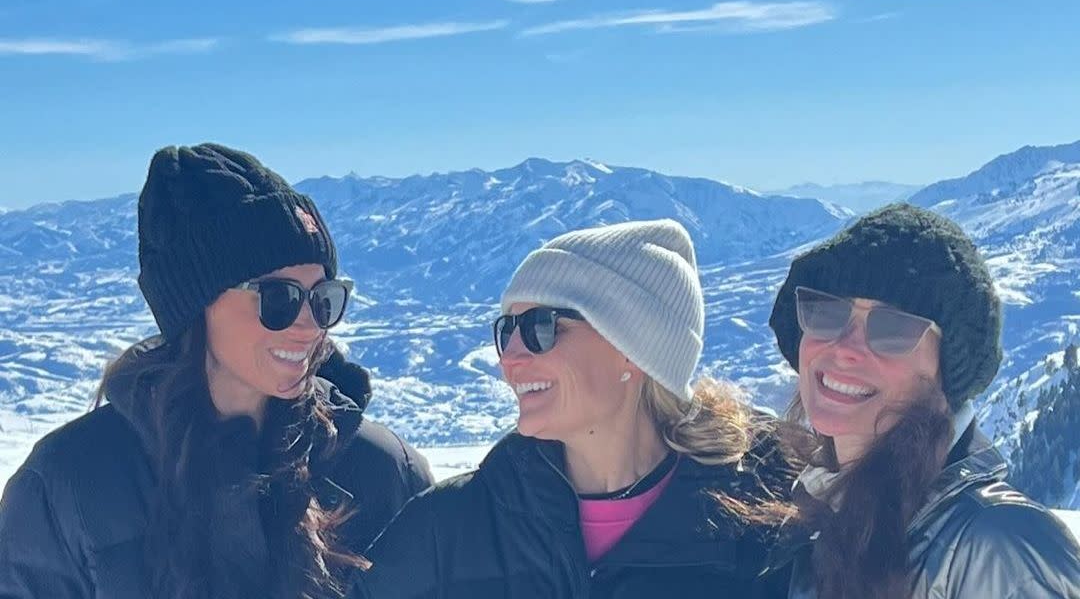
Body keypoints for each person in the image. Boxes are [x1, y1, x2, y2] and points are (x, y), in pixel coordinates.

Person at [0, 143, 433, 599]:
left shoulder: (379, 468)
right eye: (279, 298)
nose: (310, 325)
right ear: (195, 305)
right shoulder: (69, 487)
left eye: (324, 297)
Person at [349, 219, 797, 599]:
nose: (511, 356)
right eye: (507, 329)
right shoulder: (448, 528)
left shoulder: (765, 518)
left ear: (633, 350)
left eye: (541, 327)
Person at [765, 203, 1080, 598]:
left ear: (945, 372)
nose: (845, 347)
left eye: (892, 328)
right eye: (828, 312)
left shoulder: (1002, 552)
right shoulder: (818, 516)